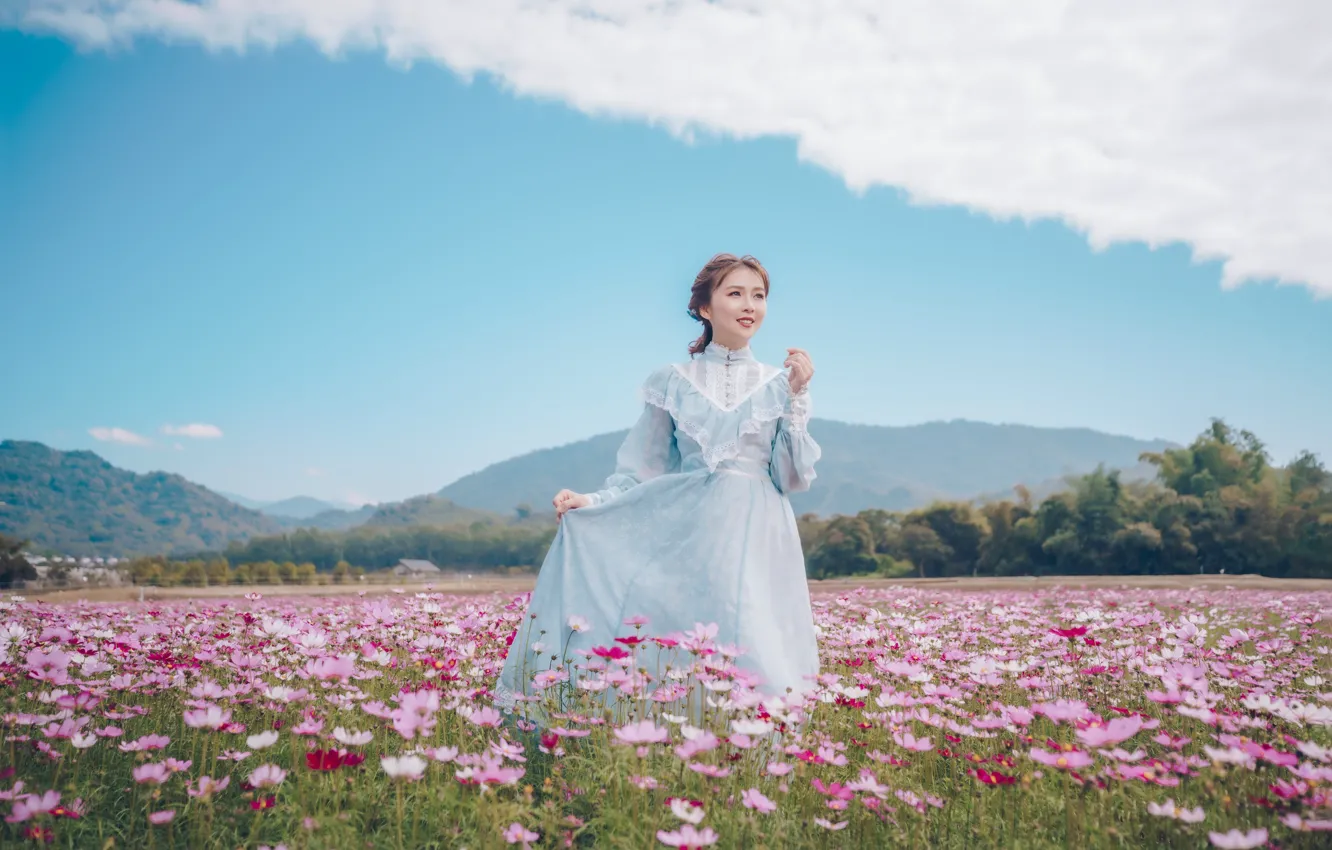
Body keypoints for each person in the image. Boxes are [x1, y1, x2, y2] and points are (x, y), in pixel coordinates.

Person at [494, 253, 821, 722]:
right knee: (682, 642)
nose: (750, 305)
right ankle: (674, 751)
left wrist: (798, 398)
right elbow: (641, 471)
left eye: (759, 295)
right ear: (705, 309)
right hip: (687, 533)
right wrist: (593, 502)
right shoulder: (671, 380)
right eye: (735, 293)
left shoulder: (780, 383)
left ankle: (757, 767)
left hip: (758, 532)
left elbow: (791, 478)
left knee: (755, 640)